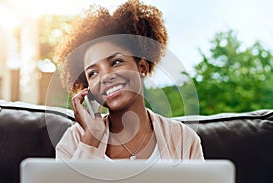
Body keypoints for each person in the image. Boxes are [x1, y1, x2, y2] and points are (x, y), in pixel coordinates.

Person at [54, 0, 204, 161]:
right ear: (88, 87)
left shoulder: (183, 138)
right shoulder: (73, 140)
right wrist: (91, 140)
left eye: (116, 62)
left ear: (142, 67)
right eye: (93, 73)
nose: (105, 77)